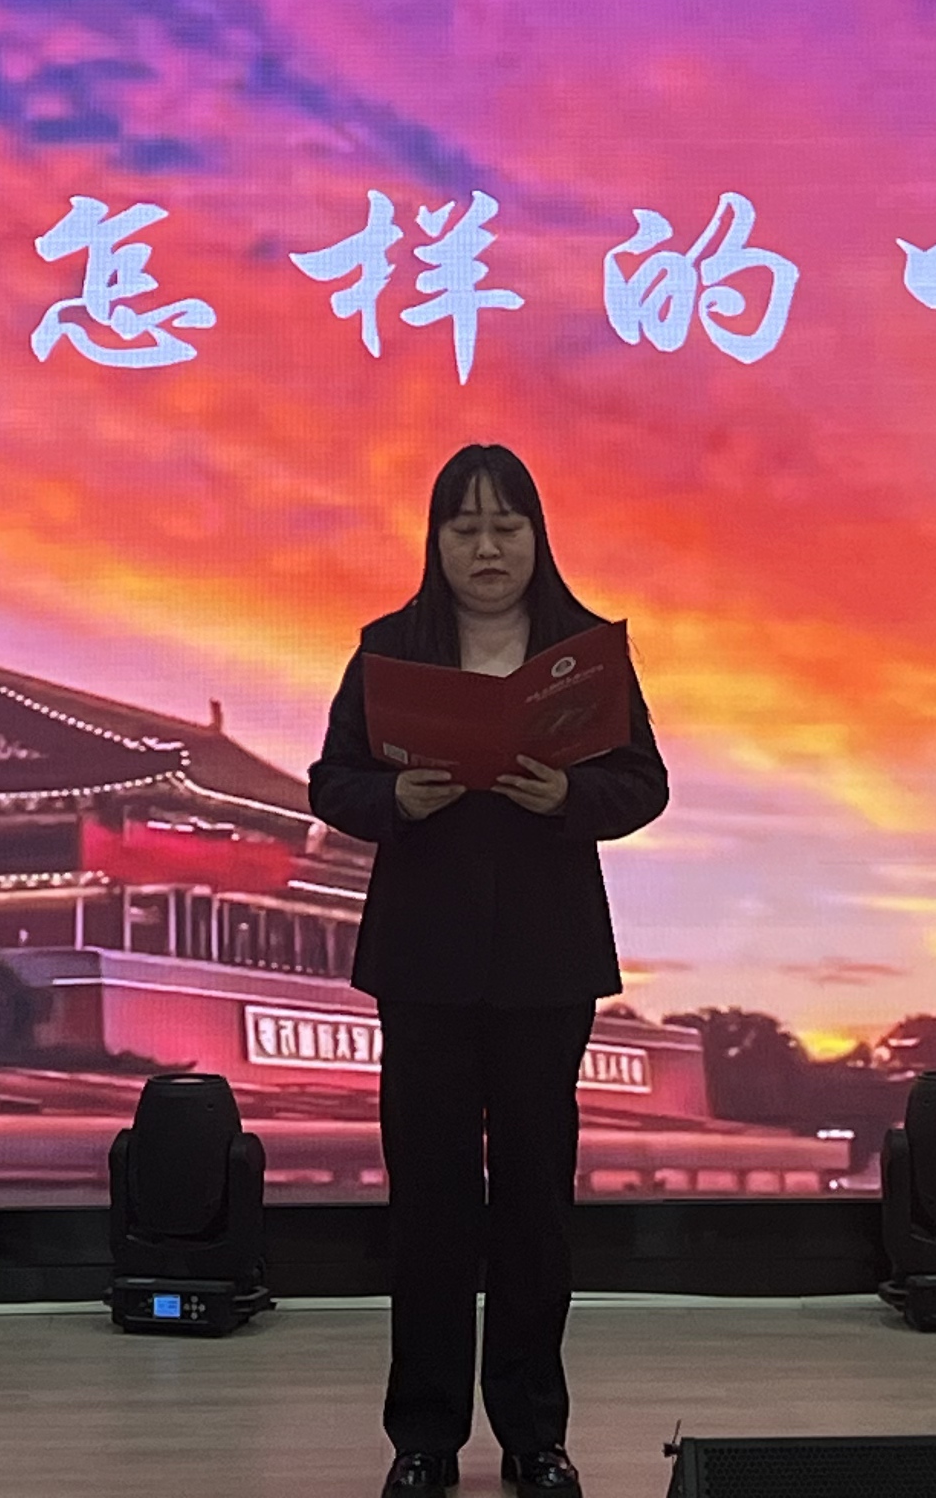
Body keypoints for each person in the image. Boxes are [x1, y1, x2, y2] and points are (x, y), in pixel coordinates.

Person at [309, 444, 671, 1498]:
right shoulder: (391, 650)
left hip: (545, 965)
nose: (486, 547)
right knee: (428, 1205)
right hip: (423, 960)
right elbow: (332, 783)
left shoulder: (584, 653)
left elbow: (644, 783)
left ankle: (533, 1434)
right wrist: (394, 800)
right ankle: (423, 1438)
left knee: (533, 1205)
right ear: (435, 541)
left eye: (506, 525)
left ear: (537, 536)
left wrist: (569, 797)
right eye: (463, 527)